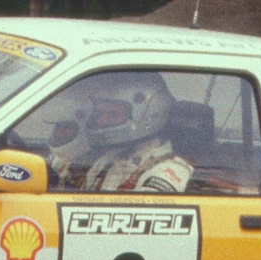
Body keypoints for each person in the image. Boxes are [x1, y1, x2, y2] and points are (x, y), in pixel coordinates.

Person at [28, 72, 194, 194]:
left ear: (149, 115)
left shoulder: (167, 171)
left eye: (112, 115)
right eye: (100, 114)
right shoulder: (109, 157)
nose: (100, 122)